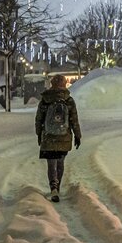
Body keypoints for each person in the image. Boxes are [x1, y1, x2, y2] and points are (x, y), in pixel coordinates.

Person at [35, 74, 81, 203]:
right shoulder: (68, 100)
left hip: (48, 136)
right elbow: (74, 120)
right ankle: (58, 186)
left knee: (51, 163)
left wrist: (39, 133)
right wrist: (77, 135)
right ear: (64, 84)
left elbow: (39, 118)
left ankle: (53, 187)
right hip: (64, 136)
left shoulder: (45, 99)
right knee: (60, 162)